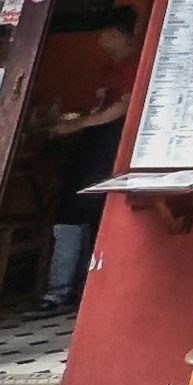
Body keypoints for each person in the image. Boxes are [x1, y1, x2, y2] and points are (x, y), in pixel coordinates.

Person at [39, 25, 139, 312]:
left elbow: (124, 107)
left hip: (113, 145)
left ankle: (71, 289)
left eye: (107, 36)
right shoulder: (113, 68)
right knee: (74, 212)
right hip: (97, 145)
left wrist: (77, 124)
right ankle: (66, 288)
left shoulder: (137, 64)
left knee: (90, 211)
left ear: (124, 33)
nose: (102, 44)